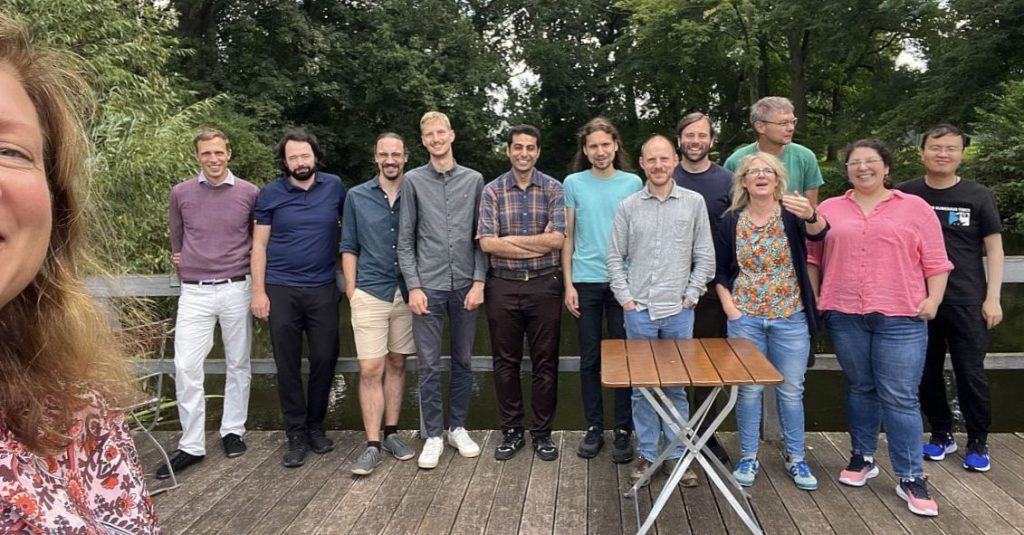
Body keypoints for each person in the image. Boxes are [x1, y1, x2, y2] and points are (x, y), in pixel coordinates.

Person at [0, 14, 158, 531]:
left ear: (58, 209)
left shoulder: (79, 410)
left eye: (8, 151)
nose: (216, 158)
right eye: (209, 152)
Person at [808, 139, 952, 517]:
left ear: (886, 168)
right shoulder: (829, 208)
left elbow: (936, 261)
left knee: (901, 396)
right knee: (860, 387)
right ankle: (863, 457)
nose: (863, 168)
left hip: (901, 315)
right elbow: (813, 258)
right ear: (847, 170)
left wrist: (933, 299)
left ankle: (910, 476)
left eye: (871, 161)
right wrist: (817, 297)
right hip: (844, 312)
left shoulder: (915, 208)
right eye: (855, 163)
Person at [714, 152, 828, 491]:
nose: (761, 176)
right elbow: (720, 273)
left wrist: (812, 214)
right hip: (745, 318)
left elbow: (820, 234)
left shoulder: (793, 215)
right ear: (744, 181)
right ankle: (748, 456)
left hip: (790, 317)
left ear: (777, 178)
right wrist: (731, 310)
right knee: (748, 391)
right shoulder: (731, 220)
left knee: (791, 391)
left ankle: (796, 457)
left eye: (768, 171)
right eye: (753, 172)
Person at [606, 135, 715, 487]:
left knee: (676, 387)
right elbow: (613, 257)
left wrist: (691, 295)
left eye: (664, 159)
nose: (658, 166)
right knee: (642, 388)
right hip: (638, 310)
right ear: (641, 163)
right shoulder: (628, 206)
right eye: (651, 160)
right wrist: (625, 298)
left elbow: (706, 257)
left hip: (679, 311)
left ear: (674, 160)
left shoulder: (694, 203)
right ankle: (648, 454)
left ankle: (677, 455)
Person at [897, 124, 1004, 472]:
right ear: (922, 151)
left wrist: (993, 298)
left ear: (961, 153)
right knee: (924, 372)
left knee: (970, 372)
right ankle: (941, 433)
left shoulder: (977, 195)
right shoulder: (906, 195)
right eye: (936, 147)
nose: (943, 154)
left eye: (951, 148)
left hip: (966, 299)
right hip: (919, 301)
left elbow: (994, 249)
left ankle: (978, 440)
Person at [160, 128, 259, 479]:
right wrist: (184, 260)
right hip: (195, 291)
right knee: (186, 365)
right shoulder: (181, 193)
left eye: (219, 152)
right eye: (206, 154)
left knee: (238, 363)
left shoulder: (249, 193)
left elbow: (256, 240)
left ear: (229, 153)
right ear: (197, 156)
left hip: (236, 286)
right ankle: (191, 444)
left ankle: (233, 430)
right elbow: (177, 237)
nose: (213, 159)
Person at [251, 130, 347, 468]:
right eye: (293, 157)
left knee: (324, 357)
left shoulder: (334, 187)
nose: (300, 162)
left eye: (305, 156)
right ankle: (295, 433)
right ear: (285, 161)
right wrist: (258, 291)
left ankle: (316, 425)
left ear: (315, 156)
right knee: (287, 363)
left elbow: (352, 231)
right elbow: (259, 246)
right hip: (281, 289)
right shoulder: (270, 194)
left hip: (323, 287)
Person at [397, 111, 485, 469]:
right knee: (429, 365)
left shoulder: (475, 180)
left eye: (440, 132)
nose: (436, 139)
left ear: (452, 135)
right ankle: (433, 434)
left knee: (463, 361)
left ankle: (457, 427)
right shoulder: (413, 181)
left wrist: (480, 281)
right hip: (428, 287)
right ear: (423, 141)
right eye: (429, 135)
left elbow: (482, 237)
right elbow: (405, 241)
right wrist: (414, 287)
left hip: (465, 285)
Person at [477, 125, 565, 461]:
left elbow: (557, 239)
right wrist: (536, 244)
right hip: (503, 285)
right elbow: (487, 244)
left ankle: (542, 433)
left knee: (546, 362)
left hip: (545, 284)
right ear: (508, 151)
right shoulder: (493, 191)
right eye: (517, 147)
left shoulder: (554, 189)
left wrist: (508, 243)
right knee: (505, 363)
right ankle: (511, 431)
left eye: (530, 147)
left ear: (538, 151)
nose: (523, 153)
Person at [563, 117, 643, 463]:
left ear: (615, 146)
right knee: (590, 359)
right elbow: (567, 236)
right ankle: (595, 427)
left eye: (605, 145)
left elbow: (639, 236)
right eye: (593, 146)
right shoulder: (573, 183)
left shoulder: (632, 183)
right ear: (585, 150)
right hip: (586, 280)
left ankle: (624, 429)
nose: (599, 151)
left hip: (623, 284)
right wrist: (568, 284)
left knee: (624, 358)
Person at [342, 133, 417, 475]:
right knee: (371, 367)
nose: (390, 160)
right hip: (370, 291)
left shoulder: (416, 193)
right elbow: (348, 246)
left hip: (407, 290)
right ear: (375, 157)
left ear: (405, 157)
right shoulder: (356, 196)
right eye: (384, 154)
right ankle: (371, 444)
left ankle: (392, 433)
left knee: (398, 363)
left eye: (396, 154)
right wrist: (353, 290)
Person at [673, 111, 736, 465]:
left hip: (713, 289)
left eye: (701, 136)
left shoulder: (727, 180)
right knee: (670, 364)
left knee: (709, 366)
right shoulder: (666, 175)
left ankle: (707, 435)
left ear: (711, 140)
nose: (695, 141)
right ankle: (675, 434)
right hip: (669, 290)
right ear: (679, 139)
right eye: (688, 135)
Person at [724, 96, 824, 206]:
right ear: (760, 127)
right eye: (783, 123)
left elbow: (811, 210)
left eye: (792, 122)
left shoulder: (805, 157)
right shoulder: (736, 161)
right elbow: (730, 206)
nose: (791, 128)